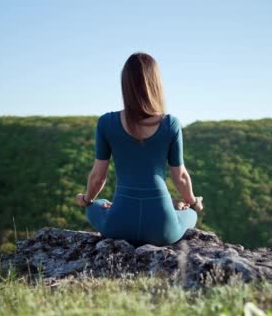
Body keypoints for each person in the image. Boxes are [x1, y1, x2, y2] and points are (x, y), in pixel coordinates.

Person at [74, 52, 204, 246]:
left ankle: (115, 207)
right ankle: (175, 208)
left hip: (118, 227)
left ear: (125, 84)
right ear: (156, 83)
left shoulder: (106, 123)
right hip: (163, 230)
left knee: (96, 206)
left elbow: (98, 177)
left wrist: (85, 198)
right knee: (190, 214)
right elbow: (181, 177)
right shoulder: (171, 124)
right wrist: (194, 203)